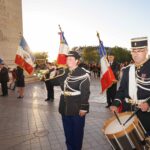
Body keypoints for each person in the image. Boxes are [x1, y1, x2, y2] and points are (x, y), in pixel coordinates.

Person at [49, 51, 90, 150]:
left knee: (77, 134)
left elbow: (85, 93)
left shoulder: (83, 74)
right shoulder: (64, 72)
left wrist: (84, 108)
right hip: (64, 107)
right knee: (68, 133)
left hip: (77, 109)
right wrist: (52, 72)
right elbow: (53, 82)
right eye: (67, 59)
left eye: (71, 59)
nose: (68, 61)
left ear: (77, 61)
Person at [110, 37, 150, 134]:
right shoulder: (127, 69)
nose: (136, 54)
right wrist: (115, 104)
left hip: (146, 115)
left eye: (139, 51)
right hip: (127, 111)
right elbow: (122, 90)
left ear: (146, 51)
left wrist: (148, 104)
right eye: (133, 51)